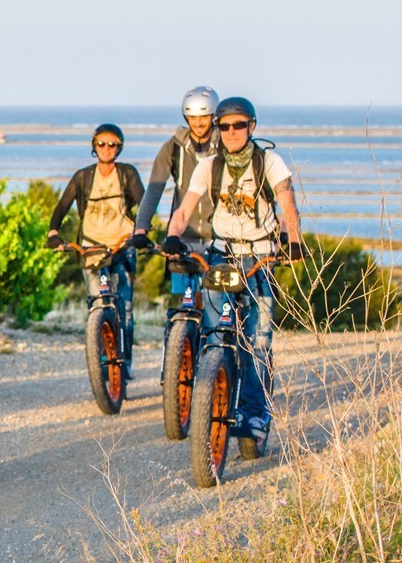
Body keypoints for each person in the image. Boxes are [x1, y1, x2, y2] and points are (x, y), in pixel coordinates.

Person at [164, 96, 303, 441]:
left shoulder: (269, 162)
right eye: (224, 126)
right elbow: (185, 208)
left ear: (251, 126)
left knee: (258, 339)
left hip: (259, 257)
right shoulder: (208, 166)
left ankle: (256, 415)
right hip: (221, 254)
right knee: (215, 332)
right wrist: (172, 235)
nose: (231, 131)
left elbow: (287, 203)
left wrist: (294, 239)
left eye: (238, 124)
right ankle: (210, 392)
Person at [46, 124, 145, 361]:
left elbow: (144, 203)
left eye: (112, 144)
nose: (106, 148)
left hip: (122, 246)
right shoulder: (83, 176)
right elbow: (62, 206)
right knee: (96, 304)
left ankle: (125, 360)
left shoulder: (127, 174)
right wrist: (53, 233)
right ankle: (100, 360)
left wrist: (142, 231)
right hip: (91, 248)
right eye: (101, 143)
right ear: (94, 145)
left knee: (126, 310)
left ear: (119, 147)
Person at [131, 87, 222, 301]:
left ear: (214, 117)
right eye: (192, 118)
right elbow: (154, 188)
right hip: (182, 237)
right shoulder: (173, 148)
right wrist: (141, 228)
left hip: (218, 236)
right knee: (183, 303)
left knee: (218, 303)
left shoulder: (225, 146)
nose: (198, 124)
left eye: (203, 118)